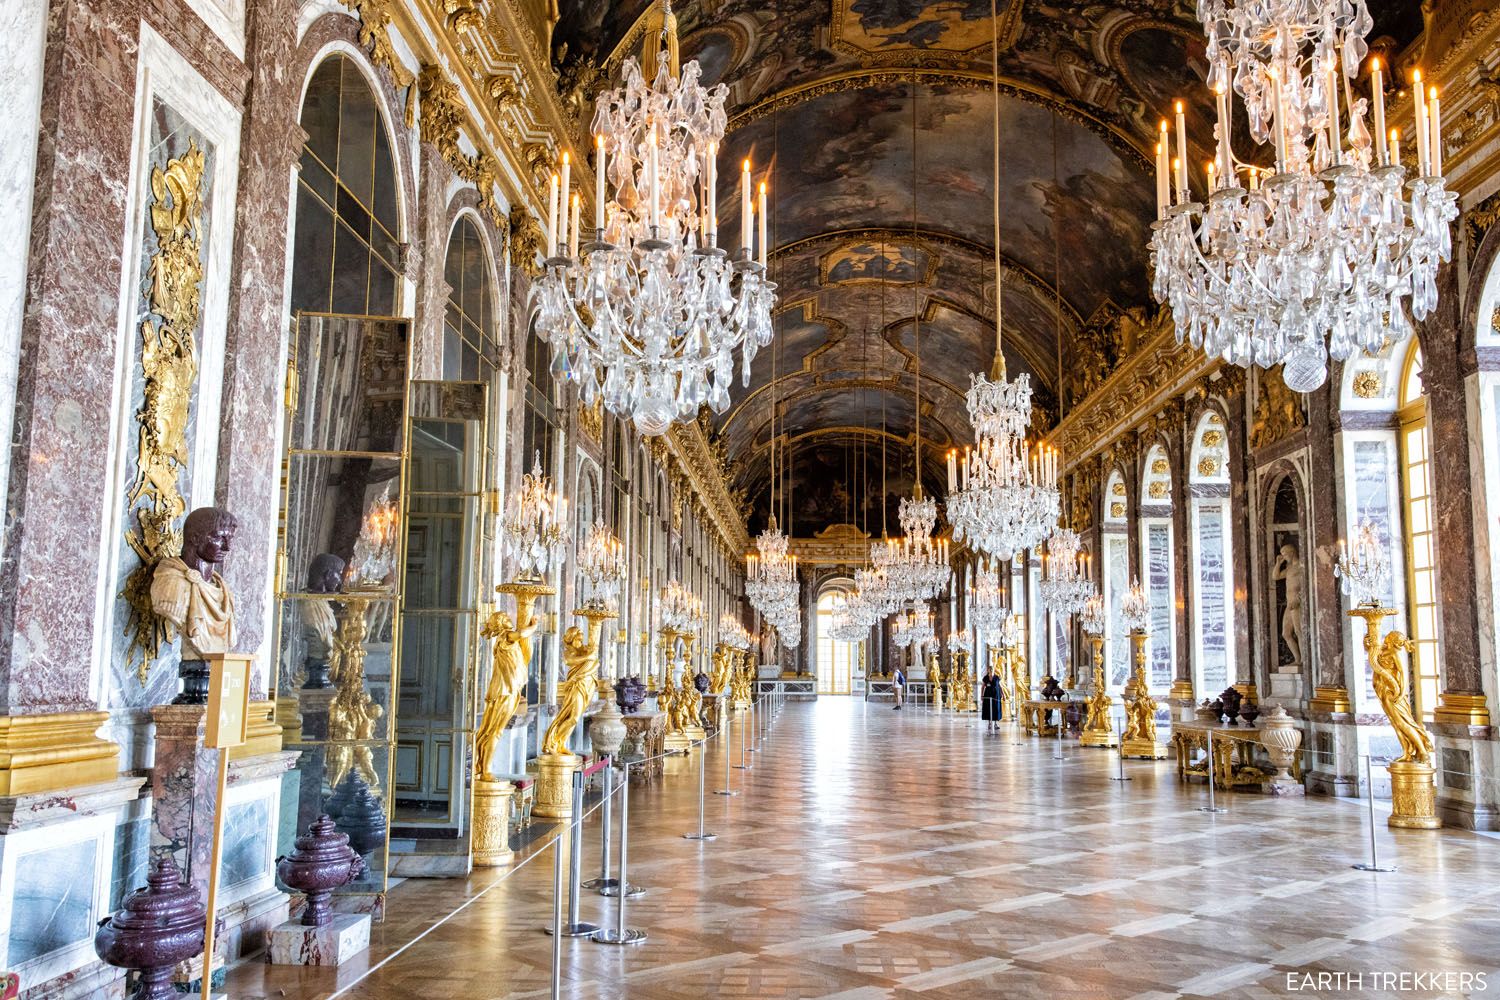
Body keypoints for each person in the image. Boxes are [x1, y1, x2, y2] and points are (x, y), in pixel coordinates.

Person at [980, 664, 1003, 733]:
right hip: (987, 695)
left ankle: (995, 723)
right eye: (990, 670)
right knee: (988, 708)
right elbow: (983, 687)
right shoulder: (985, 678)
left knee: (995, 709)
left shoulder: (996, 677)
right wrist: (982, 695)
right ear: (988, 670)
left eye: (992, 670)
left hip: (996, 695)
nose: (991, 671)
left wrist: (1003, 694)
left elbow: (999, 686)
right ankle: (989, 723)